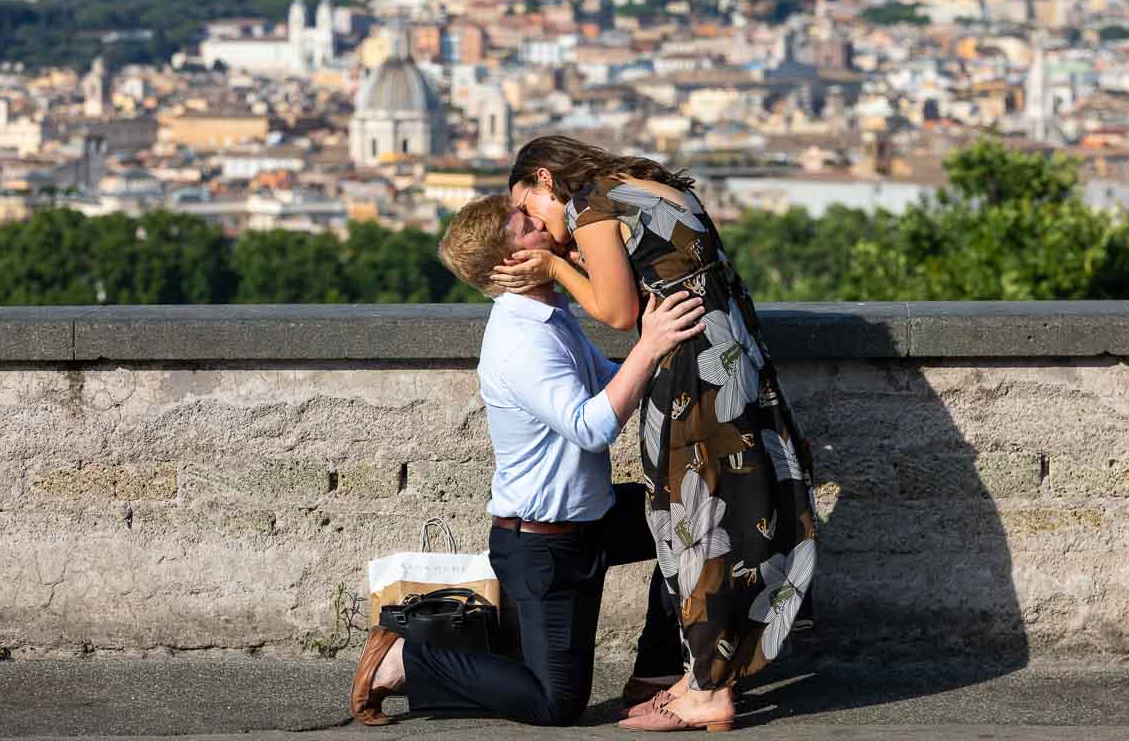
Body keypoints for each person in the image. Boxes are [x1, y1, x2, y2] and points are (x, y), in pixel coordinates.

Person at [492, 136, 819, 732]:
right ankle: (696, 675)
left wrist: (555, 266)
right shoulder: (649, 185)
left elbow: (617, 313)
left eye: (527, 208)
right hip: (735, 358)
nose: (535, 225)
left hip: (691, 372)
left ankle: (705, 692)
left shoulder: (589, 203)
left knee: (693, 521)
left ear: (544, 179)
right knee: (731, 517)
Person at [349, 194, 704, 727]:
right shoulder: (522, 342)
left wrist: (652, 339)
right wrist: (650, 348)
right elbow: (593, 426)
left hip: (592, 518)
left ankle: (656, 671)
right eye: (527, 225)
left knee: (693, 516)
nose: (545, 223)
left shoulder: (551, 314)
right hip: (546, 545)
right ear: (508, 264)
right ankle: (408, 657)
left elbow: (607, 380)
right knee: (554, 703)